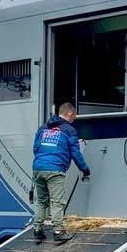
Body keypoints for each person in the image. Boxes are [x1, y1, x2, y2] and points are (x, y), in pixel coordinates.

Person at [31, 102, 90, 244]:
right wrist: (85, 169)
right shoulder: (69, 130)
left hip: (38, 168)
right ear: (70, 114)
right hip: (55, 169)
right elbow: (75, 153)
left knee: (41, 201)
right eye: (73, 117)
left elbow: (36, 148)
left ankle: (38, 230)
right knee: (57, 201)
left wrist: (42, 161)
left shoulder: (43, 128)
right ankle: (58, 231)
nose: (73, 120)